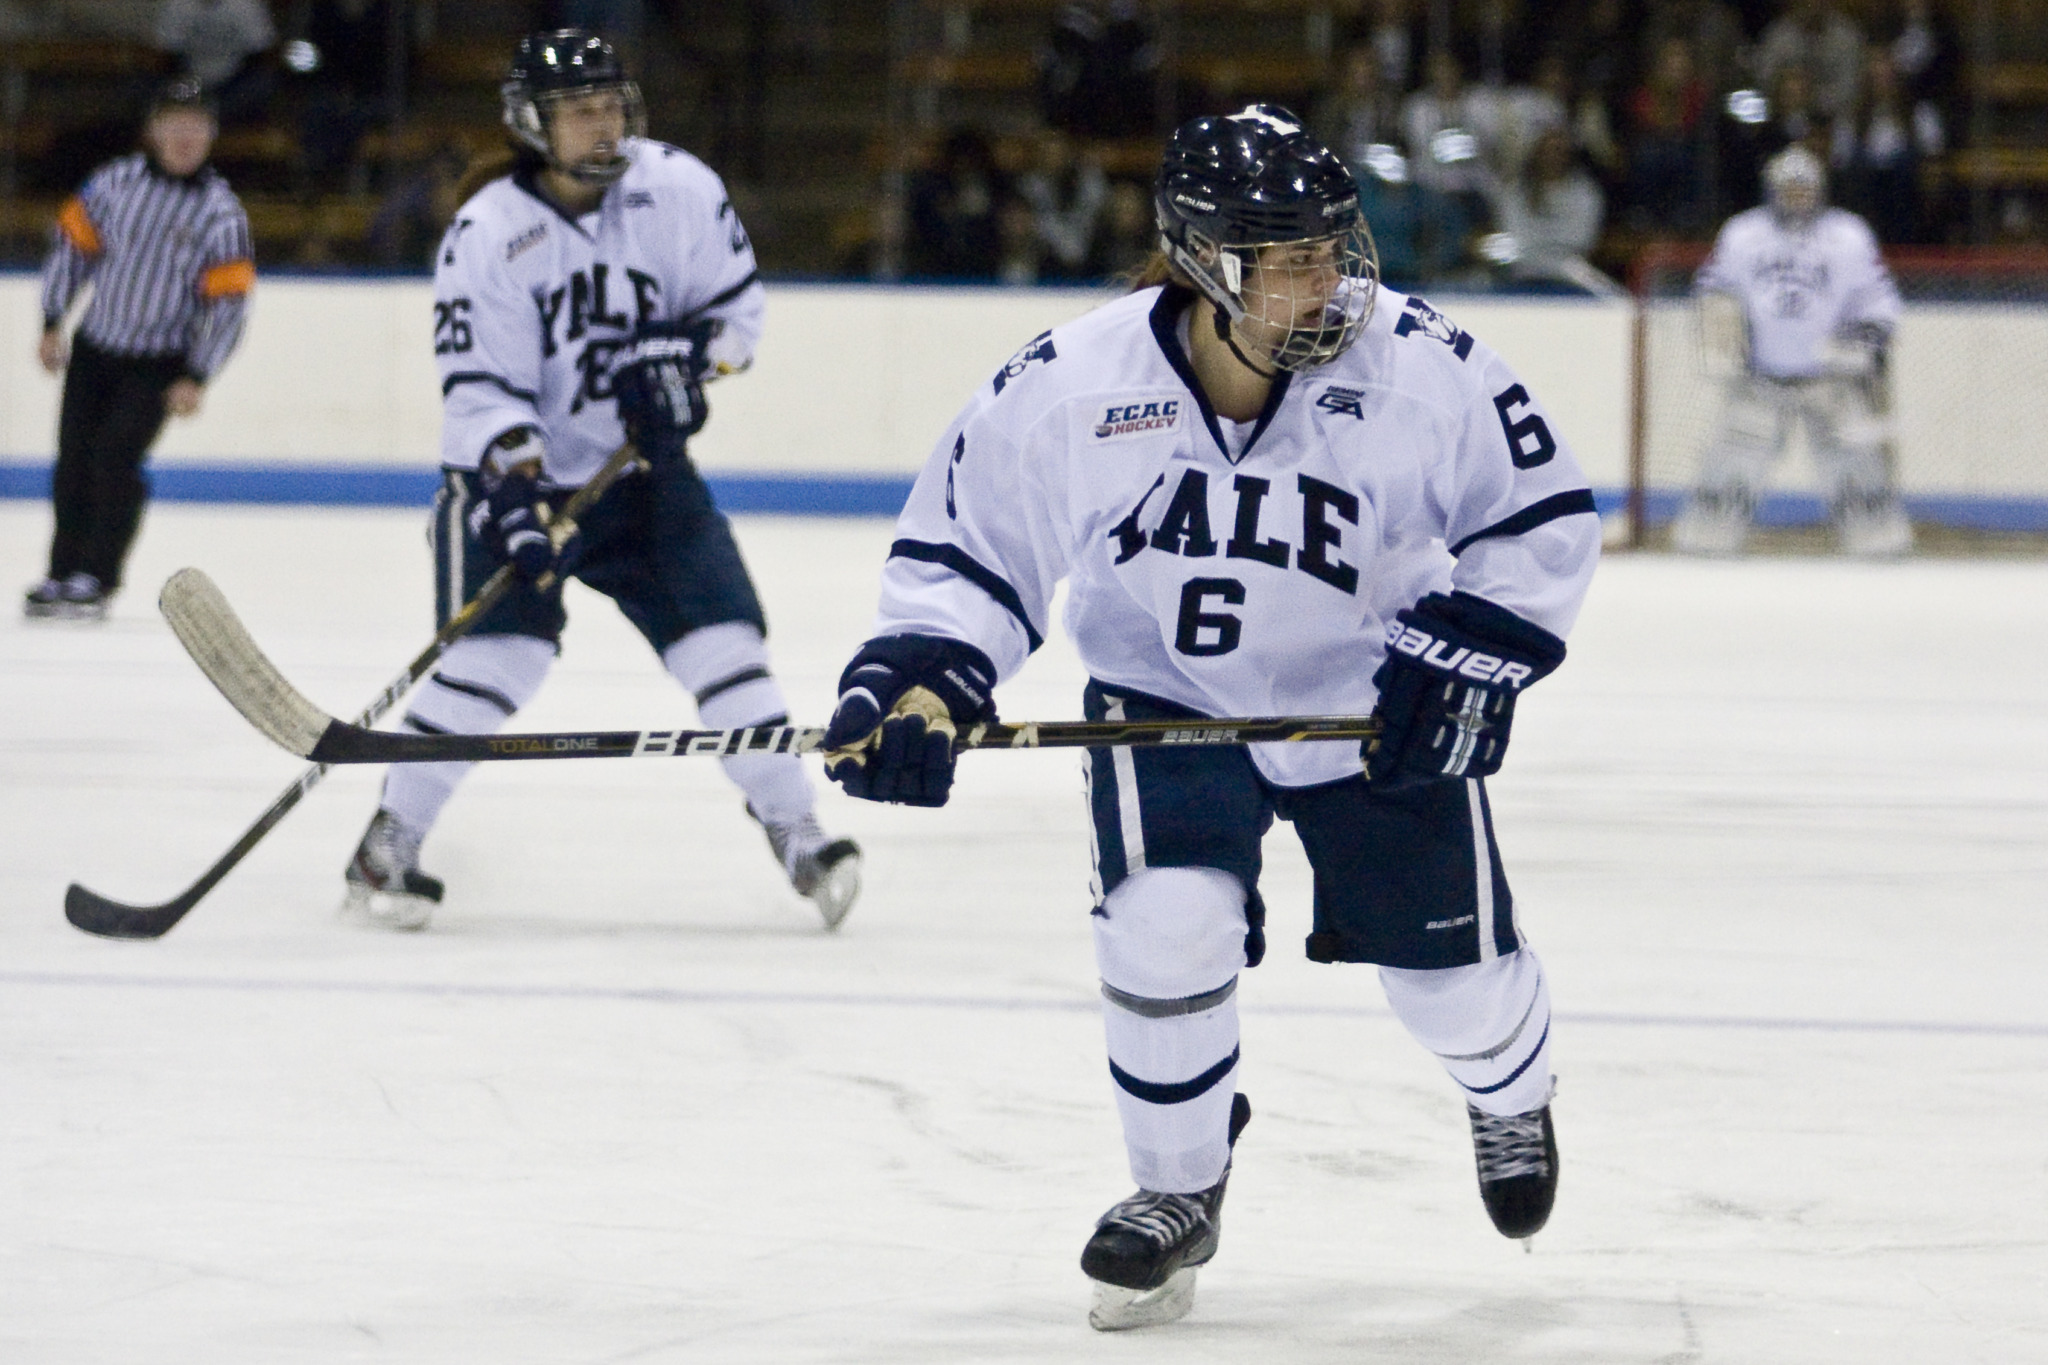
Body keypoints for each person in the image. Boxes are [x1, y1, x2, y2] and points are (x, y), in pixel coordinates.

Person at [819, 105, 1601, 1330]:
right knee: (1161, 921)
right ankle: (1176, 1188)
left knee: (1449, 993)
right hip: (1168, 701)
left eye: (1330, 248)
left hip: (1368, 709)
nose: (1326, 280)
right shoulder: (1072, 384)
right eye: (1287, 259)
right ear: (1202, 262)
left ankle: (1510, 1089)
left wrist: (1471, 658)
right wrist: (922, 678)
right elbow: (971, 553)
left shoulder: (1418, 364)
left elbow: (1538, 517)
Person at [340, 30, 861, 932]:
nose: (604, 124)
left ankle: (799, 831)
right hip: (511, 480)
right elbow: (481, 385)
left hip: (641, 477)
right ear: (531, 124)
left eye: (612, 104)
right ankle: (388, 843)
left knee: (725, 645)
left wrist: (687, 369)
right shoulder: (489, 232)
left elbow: (737, 315)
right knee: (501, 657)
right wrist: (515, 494)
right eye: (581, 111)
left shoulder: (679, 189)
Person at [24, 79, 253, 622]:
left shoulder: (221, 214)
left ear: (211, 135)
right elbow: (71, 252)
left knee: (115, 459)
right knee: (74, 460)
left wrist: (198, 374)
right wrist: (53, 320)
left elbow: (230, 306)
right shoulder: (111, 185)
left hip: (159, 363)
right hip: (96, 348)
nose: (184, 135)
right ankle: (62, 572)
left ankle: (96, 578)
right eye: (174, 123)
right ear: (153, 130)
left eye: (196, 125)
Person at [1673, 146, 1911, 557]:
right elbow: (1714, 288)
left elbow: (1876, 295)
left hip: (1830, 379)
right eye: (1789, 189)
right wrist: (1719, 328)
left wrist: (1868, 338)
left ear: (1820, 190)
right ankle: (1705, 543)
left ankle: (1878, 545)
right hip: (1759, 376)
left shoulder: (1848, 235)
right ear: (1772, 190)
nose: (1797, 197)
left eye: (1805, 189)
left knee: (1856, 466)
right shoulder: (1743, 233)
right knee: (1733, 463)